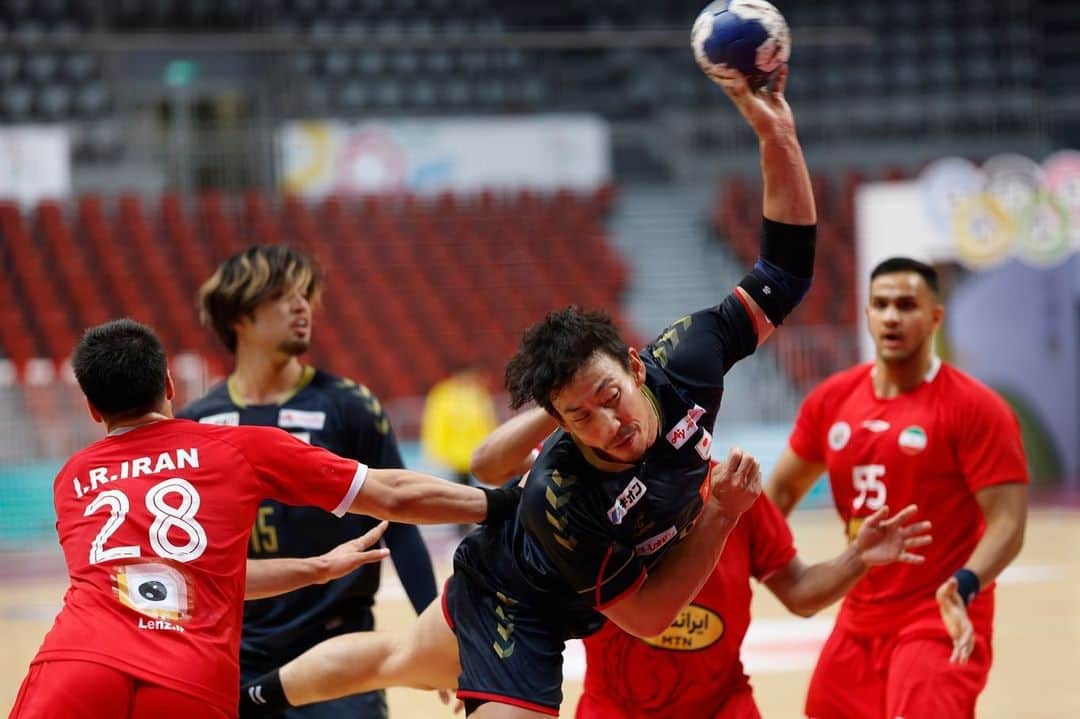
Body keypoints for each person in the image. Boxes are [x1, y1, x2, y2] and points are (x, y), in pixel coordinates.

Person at [238, 62, 818, 719]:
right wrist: (720, 514)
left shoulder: (687, 355)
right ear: (559, 425)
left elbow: (783, 272)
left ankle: (247, 699)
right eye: (581, 417)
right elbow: (652, 616)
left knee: (395, 661)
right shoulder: (564, 496)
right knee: (416, 667)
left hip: (530, 567)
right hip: (521, 598)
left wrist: (779, 139)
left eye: (609, 394)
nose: (610, 422)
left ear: (635, 364)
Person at [9, 319, 521, 719]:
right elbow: (392, 492)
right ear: (169, 383)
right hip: (187, 675)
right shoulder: (234, 447)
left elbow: (184, 578)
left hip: (77, 663)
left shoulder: (72, 478)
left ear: (93, 409)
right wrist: (500, 504)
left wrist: (317, 567)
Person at [468, 408, 932, 719]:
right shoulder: (580, 496)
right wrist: (481, 669)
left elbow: (800, 593)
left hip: (721, 708)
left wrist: (857, 558)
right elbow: (488, 465)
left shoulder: (734, 490)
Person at [178, 245, 438, 719]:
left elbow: (401, 523)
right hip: (236, 655)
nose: (302, 306)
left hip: (339, 650)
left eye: (305, 295)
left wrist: (436, 628)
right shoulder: (196, 424)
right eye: (282, 295)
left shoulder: (350, 406)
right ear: (239, 315)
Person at [765, 257, 1030, 719]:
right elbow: (780, 495)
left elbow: (1008, 522)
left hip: (938, 613)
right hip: (859, 614)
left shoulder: (976, 408)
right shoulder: (832, 401)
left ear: (935, 317)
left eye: (906, 305)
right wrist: (763, 566)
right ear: (866, 314)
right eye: (881, 305)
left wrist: (965, 585)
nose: (891, 316)